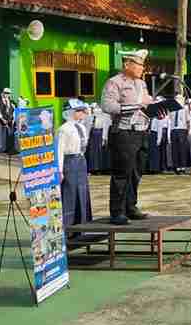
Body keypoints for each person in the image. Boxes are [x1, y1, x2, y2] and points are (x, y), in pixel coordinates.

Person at [100, 50, 159, 225]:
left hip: (141, 132)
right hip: (124, 132)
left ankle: (130, 207)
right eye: (139, 65)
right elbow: (107, 105)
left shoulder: (142, 84)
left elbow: (146, 106)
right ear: (127, 65)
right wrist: (135, 106)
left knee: (136, 172)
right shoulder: (114, 82)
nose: (142, 68)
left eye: (142, 65)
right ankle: (117, 211)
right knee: (121, 173)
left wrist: (157, 111)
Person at [58, 98, 93, 228]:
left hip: (80, 160)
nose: (82, 113)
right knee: (70, 193)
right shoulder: (63, 129)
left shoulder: (82, 127)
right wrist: (59, 170)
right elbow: (60, 150)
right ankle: (68, 227)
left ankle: (82, 225)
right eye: (79, 110)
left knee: (83, 192)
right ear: (71, 112)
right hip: (69, 161)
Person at [87, 102, 112, 174]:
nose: (92, 110)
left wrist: (104, 137)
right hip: (93, 135)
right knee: (93, 152)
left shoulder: (103, 116)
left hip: (99, 134)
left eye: (93, 109)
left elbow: (105, 127)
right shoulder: (91, 117)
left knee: (100, 151)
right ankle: (93, 168)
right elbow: (89, 127)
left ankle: (101, 168)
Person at [168, 97, 191, 175]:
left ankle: (182, 167)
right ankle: (176, 167)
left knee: (182, 149)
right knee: (174, 149)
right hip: (174, 129)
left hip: (182, 129)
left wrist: (187, 131)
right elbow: (170, 120)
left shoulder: (185, 108)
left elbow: (188, 120)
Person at [0, 88, 16, 155]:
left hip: (10, 120)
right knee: (1, 134)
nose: (7, 94)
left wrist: (13, 119)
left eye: (8, 93)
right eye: (6, 93)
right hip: (1, 120)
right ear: (3, 93)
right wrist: (2, 119)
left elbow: (14, 111)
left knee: (9, 134)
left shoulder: (12, 102)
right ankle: (1, 149)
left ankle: (9, 149)